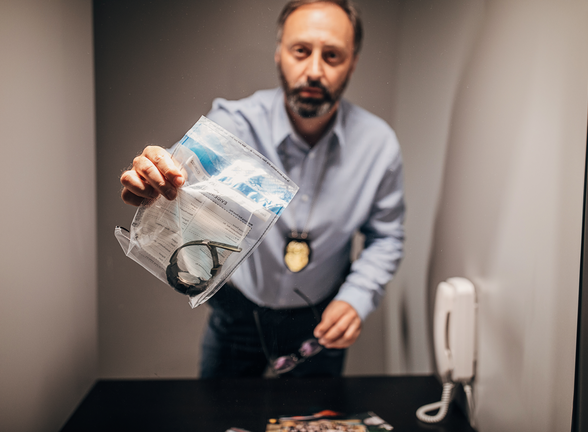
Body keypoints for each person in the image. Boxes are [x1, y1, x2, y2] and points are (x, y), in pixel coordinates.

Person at [120, 0, 404, 378]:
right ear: (279, 54)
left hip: (320, 323)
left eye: (333, 55)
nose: (315, 71)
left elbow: (387, 237)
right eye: (301, 51)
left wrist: (356, 299)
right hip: (237, 319)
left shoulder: (378, 145)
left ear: (352, 62)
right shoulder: (233, 125)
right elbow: (175, 174)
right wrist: (151, 179)